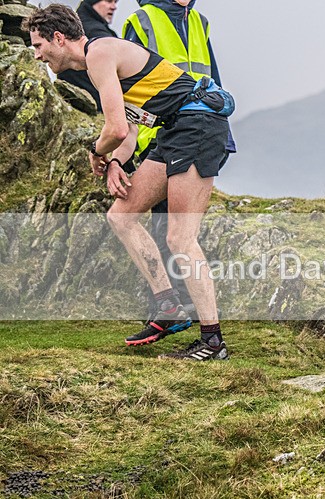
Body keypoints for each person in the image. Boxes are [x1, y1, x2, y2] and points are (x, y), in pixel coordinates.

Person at [25, 3, 232, 361]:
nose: (37, 55)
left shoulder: (100, 52)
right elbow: (131, 128)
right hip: (175, 129)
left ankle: (213, 341)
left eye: (38, 45)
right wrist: (117, 161)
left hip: (198, 126)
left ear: (58, 38)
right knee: (121, 216)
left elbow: (115, 129)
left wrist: (96, 152)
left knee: (180, 237)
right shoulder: (98, 61)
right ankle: (168, 307)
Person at [121, 0, 237, 322]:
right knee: (166, 229)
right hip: (157, 136)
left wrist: (224, 137)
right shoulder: (142, 19)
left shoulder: (199, 21)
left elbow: (213, 82)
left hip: (197, 133)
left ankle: (182, 310)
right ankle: (171, 308)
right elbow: (126, 85)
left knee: (178, 232)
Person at [56, 0, 119, 112]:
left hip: (76, 103)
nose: (114, 7)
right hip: (97, 107)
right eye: (109, 1)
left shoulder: (74, 26)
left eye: (115, 2)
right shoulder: (94, 32)